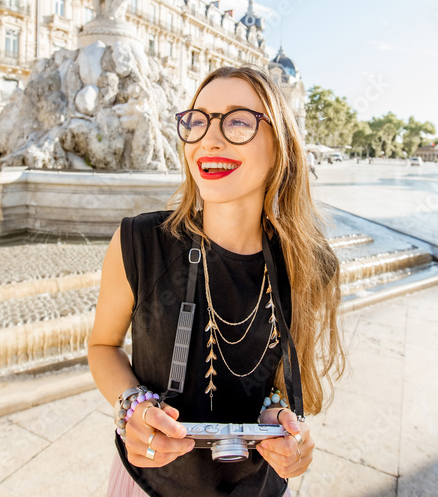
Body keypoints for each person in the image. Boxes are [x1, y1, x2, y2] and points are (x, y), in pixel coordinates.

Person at [88, 66, 346, 497]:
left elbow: (282, 385)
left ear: (280, 144)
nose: (209, 138)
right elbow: (102, 346)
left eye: (239, 121)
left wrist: (287, 432)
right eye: (197, 120)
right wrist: (132, 405)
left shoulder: (309, 264)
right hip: (149, 485)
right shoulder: (138, 241)